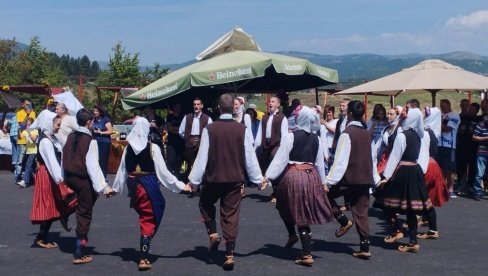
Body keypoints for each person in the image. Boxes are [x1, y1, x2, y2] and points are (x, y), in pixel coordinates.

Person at [188, 94, 263, 271]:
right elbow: (249, 157)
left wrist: (194, 181)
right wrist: (258, 179)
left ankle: (213, 232)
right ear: (233, 108)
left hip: (214, 178)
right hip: (234, 179)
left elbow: (202, 157)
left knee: (205, 203)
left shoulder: (210, 129)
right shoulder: (242, 129)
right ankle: (229, 254)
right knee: (231, 215)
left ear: (219, 109)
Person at [112, 117, 191, 271]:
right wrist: (181, 186)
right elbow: (163, 172)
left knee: (148, 214)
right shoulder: (152, 148)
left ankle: (145, 244)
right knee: (149, 218)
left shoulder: (127, 148)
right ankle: (143, 257)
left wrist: (115, 189)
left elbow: (122, 172)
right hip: (147, 185)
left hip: (133, 187)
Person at [264, 106, 333, 266]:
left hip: (294, 175)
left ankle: (305, 252)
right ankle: (299, 244)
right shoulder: (316, 139)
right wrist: (323, 183)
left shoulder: (291, 137)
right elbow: (319, 164)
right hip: (311, 176)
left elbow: (280, 160)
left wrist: (267, 176)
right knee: (302, 210)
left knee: (284, 205)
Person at [325, 100, 380, 259]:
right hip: (365, 178)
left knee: (324, 194)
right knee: (362, 213)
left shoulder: (347, 133)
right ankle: (365, 247)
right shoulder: (367, 134)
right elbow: (372, 158)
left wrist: (328, 182)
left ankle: (342, 220)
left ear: (349, 114)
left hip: (349, 179)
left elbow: (340, 162)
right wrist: (375, 178)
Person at [374, 107, 432, 253]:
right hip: (415, 171)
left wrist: (386, 176)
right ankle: (413, 240)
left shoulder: (402, 135)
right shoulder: (419, 135)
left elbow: (395, 157)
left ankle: (396, 230)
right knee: (412, 209)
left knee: (384, 201)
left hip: (403, 172)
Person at [62, 109, 114, 265]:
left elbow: (63, 156)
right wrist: (104, 188)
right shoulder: (90, 140)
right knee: (85, 213)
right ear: (89, 122)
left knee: (87, 201)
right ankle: (79, 252)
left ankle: (67, 209)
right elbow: (93, 167)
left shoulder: (70, 136)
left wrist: (62, 177)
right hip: (82, 179)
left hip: (69, 176)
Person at [30, 114, 76, 249]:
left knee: (54, 204)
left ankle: (60, 218)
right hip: (48, 174)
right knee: (48, 205)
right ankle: (41, 238)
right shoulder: (45, 140)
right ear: (49, 123)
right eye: (57, 125)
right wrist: (60, 180)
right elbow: (51, 161)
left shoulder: (51, 137)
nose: (59, 128)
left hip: (51, 173)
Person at [417, 106, 448, 239]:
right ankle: (429, 225)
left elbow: (422, 152)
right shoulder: (433, 131)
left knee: (422, 196)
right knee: (425, 196)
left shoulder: (426, 132)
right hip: (432, 164)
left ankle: (431, 228)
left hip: (426, 165)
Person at [179, 98, 213, 174]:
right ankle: (183, 179)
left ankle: (198, 182)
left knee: (198, 165)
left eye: (198, 104)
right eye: (194, 104)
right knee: (184, 163)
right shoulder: (187, 117)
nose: (196, 106)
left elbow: (211, 133)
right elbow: (181, 132)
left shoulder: (207, 119)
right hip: (188, 144)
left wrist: (204, 142)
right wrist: (187, 139)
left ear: (202, 106)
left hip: (201, 144)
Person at [436, 99, 460, 198]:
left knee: (449, 169)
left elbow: (447, 129)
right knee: (440, 168)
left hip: (449, 146)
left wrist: (436, 124)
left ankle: (451, 188)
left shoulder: (455, 115)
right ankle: (442, 187)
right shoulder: (439, 116)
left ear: (449, 105)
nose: (442, 108)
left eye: (443, 106)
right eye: (441, 106)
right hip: (439, 145)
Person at [455, 100, 480, 195]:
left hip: (474, 147)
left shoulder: (479, 119)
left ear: (477, 111)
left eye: (473, 110)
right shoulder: (463, 117)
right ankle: (461, 184)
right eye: (470, 108)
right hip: (462, 146)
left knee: (473, 167)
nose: (470, 111)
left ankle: (471, 185)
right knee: (461, 167)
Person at [15, 99, 36, 182]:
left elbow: (33, 125)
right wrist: (27, 115)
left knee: (30, 160)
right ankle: (18, 177)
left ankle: (29, 177)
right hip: (23, 140)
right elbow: (22, 126)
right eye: (27, 104)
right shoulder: (19, 113)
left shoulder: (33, 112)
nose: (28, 106)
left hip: (31, 140)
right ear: (23, 104)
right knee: (20, 160)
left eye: (29, 104)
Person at [376, 107, 402, 175]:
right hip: (384, 158)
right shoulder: (385, 128)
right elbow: (379, 145)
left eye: (391, 114)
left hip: (394, 159)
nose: (388, 116)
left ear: (397, 115)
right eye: (388, 114)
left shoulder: (399, 129)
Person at [472, 99, 488, 201]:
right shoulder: (481, 124)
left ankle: (484, 190)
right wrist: (486, 138)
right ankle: (477, 192)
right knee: (479, 173)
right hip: (482, 152)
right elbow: (474, 137)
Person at [17, 117, 39, 188]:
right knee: (32, 166)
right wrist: (18, 130)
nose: (28, 126)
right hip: (28, 150)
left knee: (28, 165)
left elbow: (34, 140)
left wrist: (29, 132)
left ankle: (25, 181)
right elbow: (20, 137)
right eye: (27, 125)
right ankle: (35, 180)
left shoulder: (35, 130)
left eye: (29, 125)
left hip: (34, 150)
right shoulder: (25, 131)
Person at [92, 106, 113, 178]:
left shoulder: (105, 119)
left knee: (102, 159)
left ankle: (103, 177)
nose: (95, 112)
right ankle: (96, 176)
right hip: (95, 141)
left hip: (104, 142)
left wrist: (101, 132)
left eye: (96, 111)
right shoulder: (93, 119)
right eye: (94, 111)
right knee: (95, 159)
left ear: (100, 112)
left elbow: (110, 131)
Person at [166, 102, 185, 175]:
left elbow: (184, 129)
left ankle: (180, 175)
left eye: (179, 107)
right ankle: (169, 176)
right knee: (170, 160)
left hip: (181, 142)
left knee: (181, 160)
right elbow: (169, 128)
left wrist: (175, 129)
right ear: (173, 108)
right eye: (176, 107)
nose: (177, 109)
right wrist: (179, 129)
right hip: (171, 142)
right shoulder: (169, 116)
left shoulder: (183, 117)